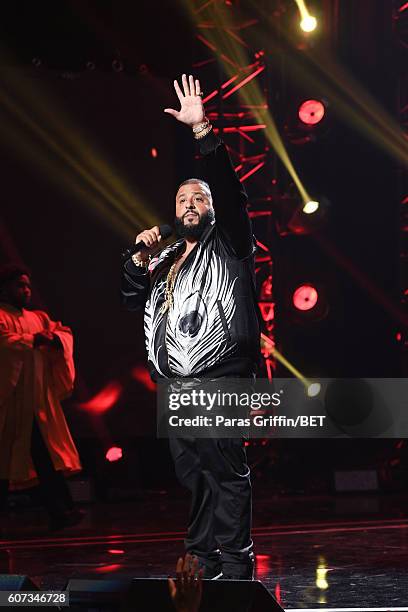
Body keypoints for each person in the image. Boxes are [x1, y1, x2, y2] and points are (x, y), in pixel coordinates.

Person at [121, 75, 260, 579]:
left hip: (221, 374)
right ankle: (202, 556)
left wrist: (201, 127)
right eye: (182, 200)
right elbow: (131, 296)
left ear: (213, 208)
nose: (189, 206)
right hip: (176, 385)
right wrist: (138, 259)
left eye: (198, 199)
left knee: (223, 465)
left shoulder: (231, 244)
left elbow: (226, 186)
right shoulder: (171, 255)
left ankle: (236, 559)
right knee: (193, 472)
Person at [0, 263, 83, 530]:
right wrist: (33, 341)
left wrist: (54, 339)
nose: (25, 290)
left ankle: (62, 511)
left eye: (27, 285)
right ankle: (61, 511)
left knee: (45, 457)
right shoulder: (1, 316)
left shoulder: (38, 317)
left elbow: (63, 333)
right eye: (19, 285)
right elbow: (5, 344)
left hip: (36, 402)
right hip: (9, 403)